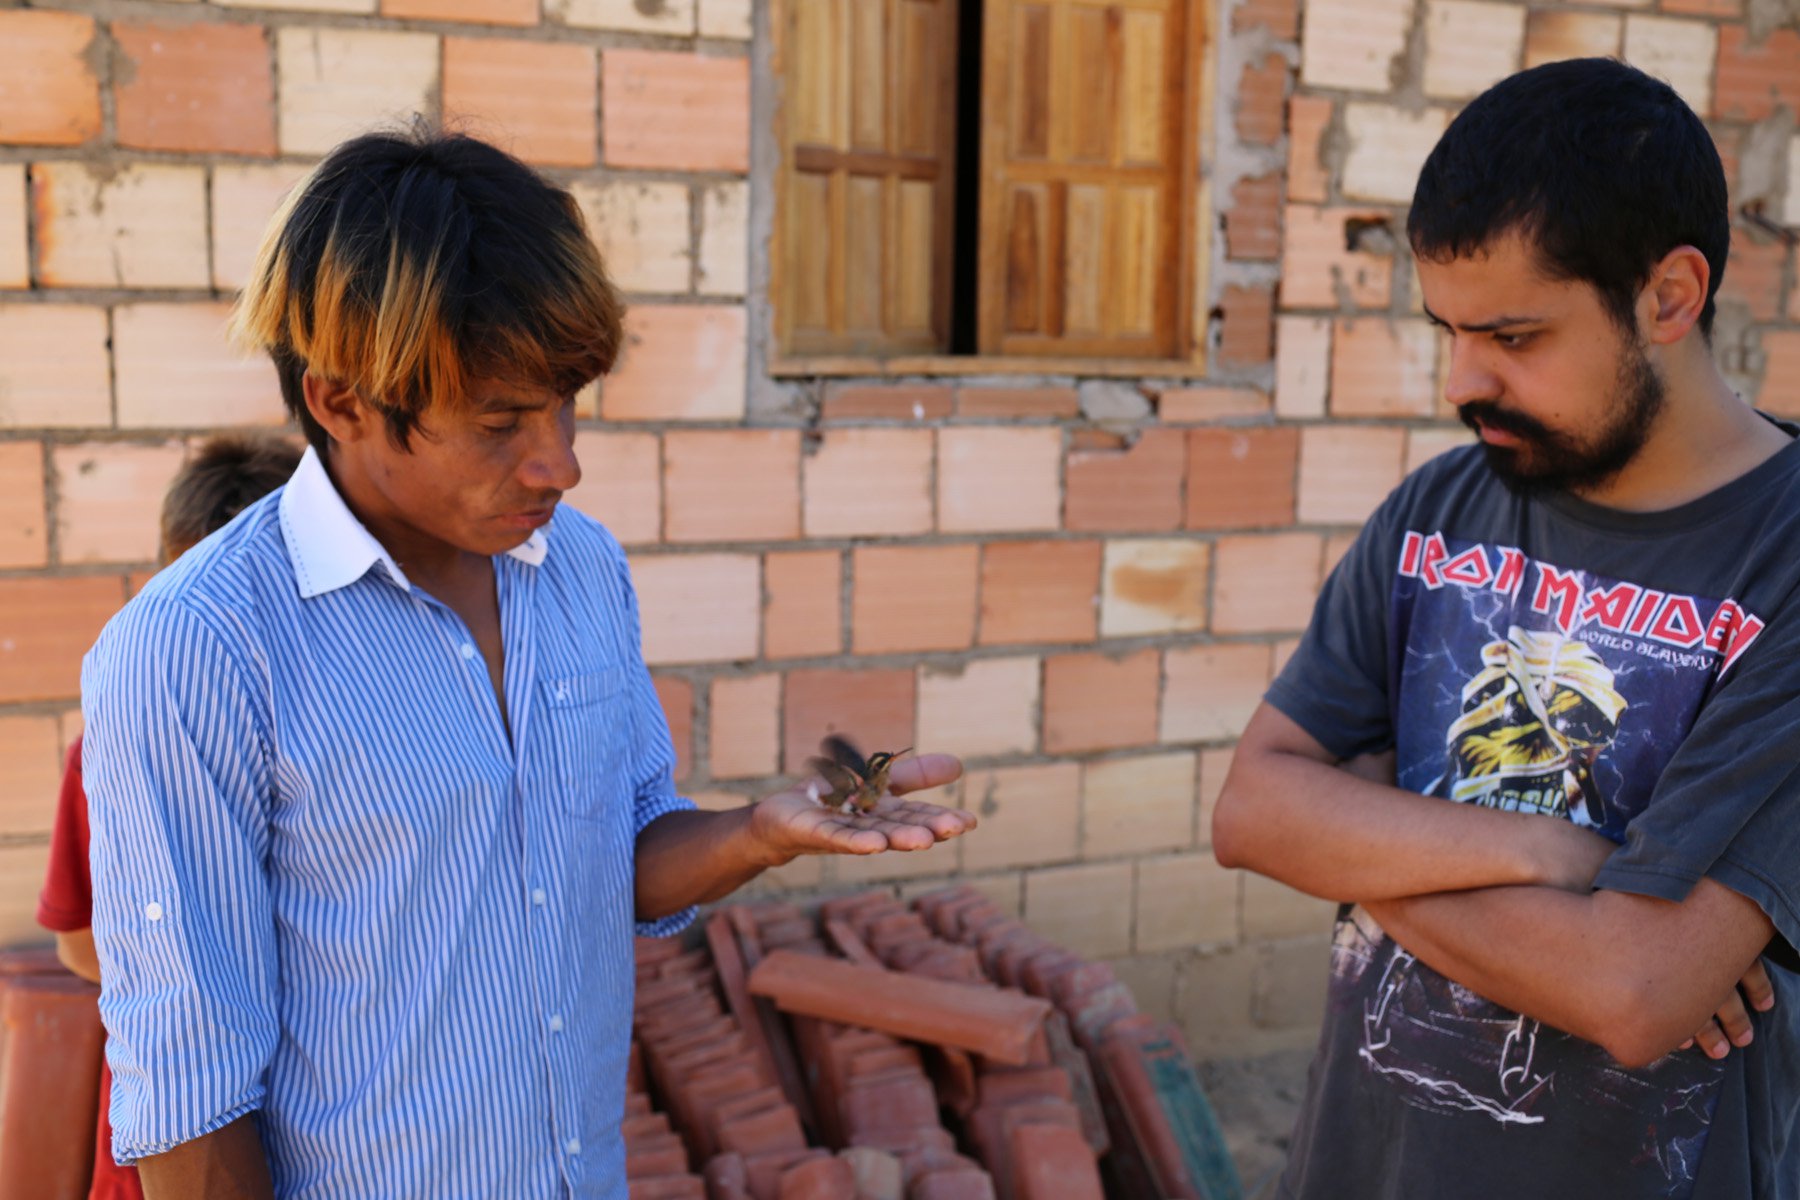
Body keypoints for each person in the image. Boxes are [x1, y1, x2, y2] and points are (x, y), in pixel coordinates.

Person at [78, 128, 975, 1200]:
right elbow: (191, 1097)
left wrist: (758, 833)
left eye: (566, 403)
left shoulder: (579, 571)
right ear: (342, 402)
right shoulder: (199, 651)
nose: (561, 462)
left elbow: (614, 857)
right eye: (502, 422)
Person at [1212, 58, 1800, 1198]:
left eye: (1515, 338)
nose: (1460, 381)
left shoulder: (1784, 559)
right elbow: (1250, 813)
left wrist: (1358, 837)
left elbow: (1634, 996)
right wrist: (1560, 857)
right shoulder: (1443, 507)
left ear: (1670, 297)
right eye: (1446, 328)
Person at [38, 436, 304, 1200]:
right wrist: (193, 974)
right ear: (163, 584)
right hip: (165, 1155)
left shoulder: (335, 748)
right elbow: (77, 940)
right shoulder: (107, 749)